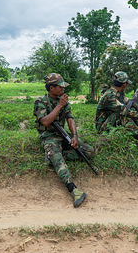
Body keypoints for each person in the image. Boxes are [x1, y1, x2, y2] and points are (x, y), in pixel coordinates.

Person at [34, 73, 95, 208]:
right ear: (51, 88)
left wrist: (74, 136)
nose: (63, 89)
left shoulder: (63, 101)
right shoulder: (40, 102)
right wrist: (59, 106)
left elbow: (70, 118)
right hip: (48, 136)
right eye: (60, 87)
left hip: (63, 135)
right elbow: (45, 122)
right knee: (59, 161)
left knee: (89, 152)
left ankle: (54, 158)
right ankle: (74, 190)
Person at [96, 71, 138, 153]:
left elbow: (131, 103)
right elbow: (123, 110)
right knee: (124, 115)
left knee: (132, 111)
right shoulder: (109, 95)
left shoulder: (119, 93)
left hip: (111, 121)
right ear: (124, 85)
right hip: (102, 127)